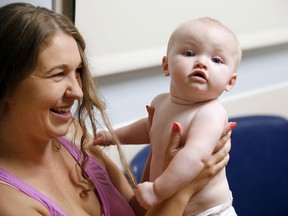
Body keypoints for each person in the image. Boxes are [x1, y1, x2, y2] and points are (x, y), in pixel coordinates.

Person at [0, 3, 233, 216]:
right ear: (7, 85)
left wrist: (159, 149)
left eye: (78, 72)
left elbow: (137, 210)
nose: (78, 93)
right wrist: (184, 188)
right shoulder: (9, 202)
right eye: (58, 74)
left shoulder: (73, 134)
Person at [95, 17, 242, 215]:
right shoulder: (161, 102)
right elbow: (148, 128)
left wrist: (158, 190)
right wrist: (112, 136)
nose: (201, 63)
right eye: (189, 53)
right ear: (166, 66)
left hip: (209, 212)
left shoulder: (211, 112)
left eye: (216, 60)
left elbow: (195, 157)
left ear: (230, 82)